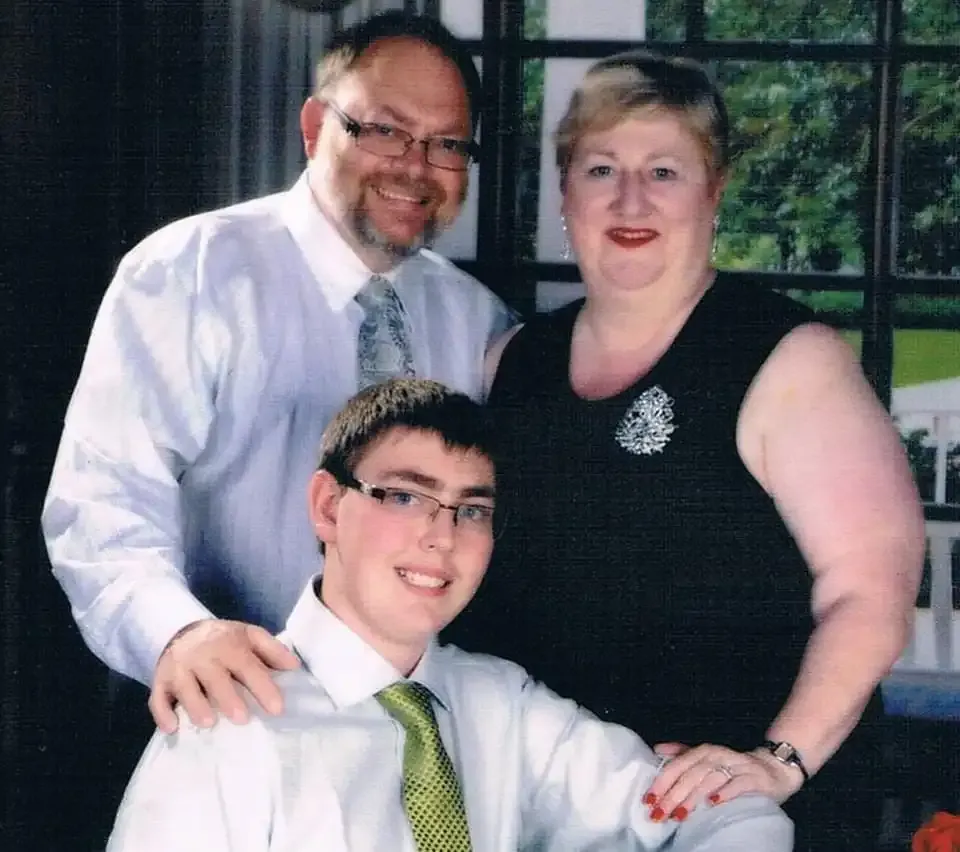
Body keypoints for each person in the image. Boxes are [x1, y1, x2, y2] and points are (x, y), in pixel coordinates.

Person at [446, 50, 925, 852]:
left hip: (736, 815)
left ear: (715, 189)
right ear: (566, 191)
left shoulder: (785, 357)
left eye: (664, 170)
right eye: (601, 168)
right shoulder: (512, 362)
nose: (630, 198)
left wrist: (777, 761)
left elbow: (873, 589)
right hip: (556, 810)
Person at [41, 11, 513, 735]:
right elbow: (103, 499)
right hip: (213, 713)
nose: (415, 166)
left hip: (400, 736)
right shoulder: (191, 272)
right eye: (384, 130)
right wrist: (178, 634)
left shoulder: (476, 319)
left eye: (447, 144)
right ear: (316, 125)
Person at [105, 378, 793, 851]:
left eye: (473, 510)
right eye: (405, 497)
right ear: (327, 507)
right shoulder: (227, 729)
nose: (442, 536)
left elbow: (725, 811)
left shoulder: (507, 707)